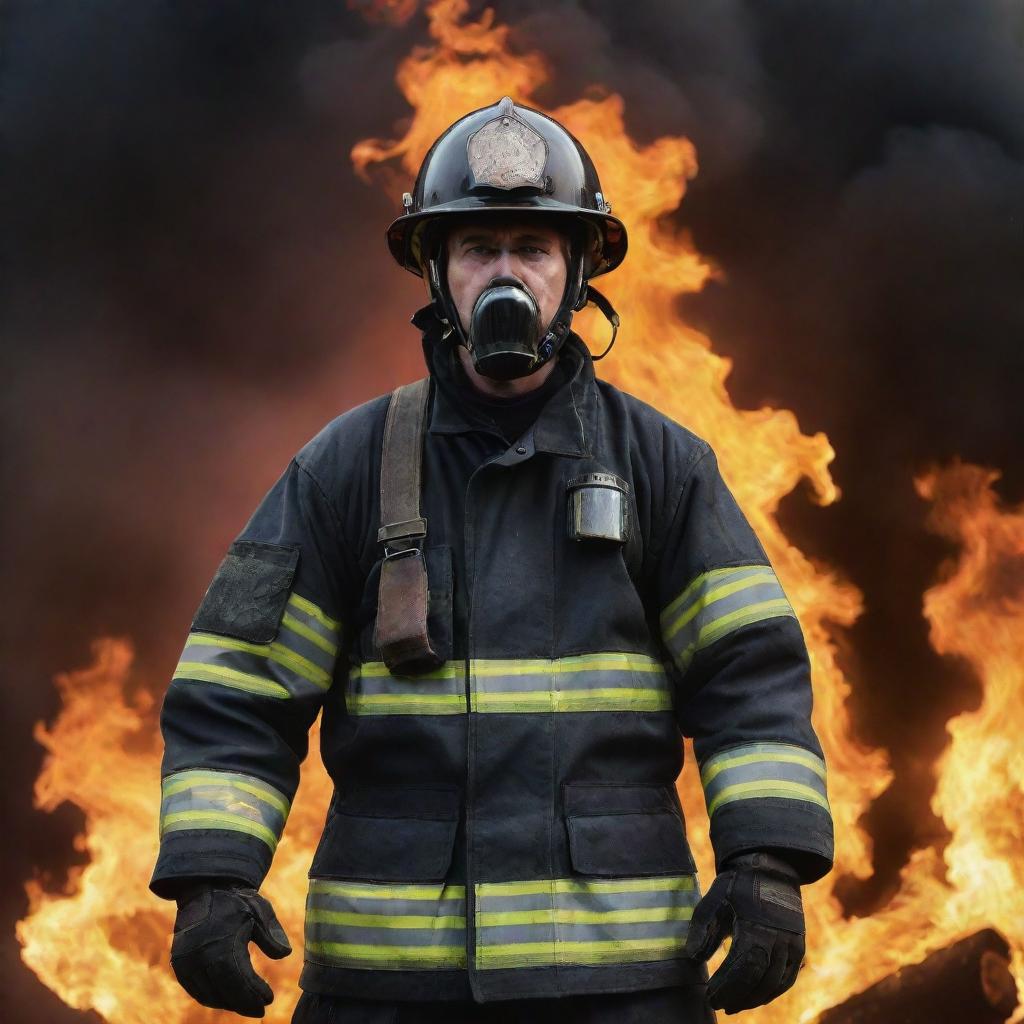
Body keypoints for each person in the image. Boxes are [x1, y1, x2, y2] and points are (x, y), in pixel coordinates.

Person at [150, 97, 834, 1023]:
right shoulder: (346, 467)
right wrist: (211, 874)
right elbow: (240, 688)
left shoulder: (663, 467)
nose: (505, 274)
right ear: (437, 273)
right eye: (478, 249)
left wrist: (767, 862)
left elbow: (749, 677)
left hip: (619, 985)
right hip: (392, 989)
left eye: (534, 248)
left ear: (578, 271)